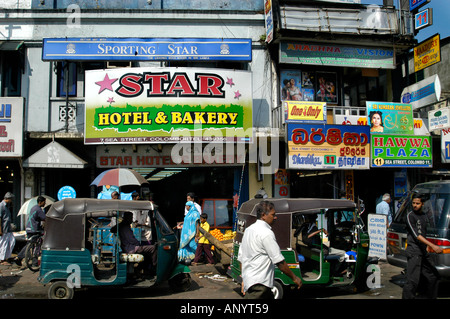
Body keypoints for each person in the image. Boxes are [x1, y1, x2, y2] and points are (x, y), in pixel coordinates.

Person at [238, 201, 302, 299]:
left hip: (252, 281)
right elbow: (279, 261)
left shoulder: (248, 230)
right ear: (263, 215)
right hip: (260, 283)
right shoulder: (266, 233)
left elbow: (242, 257)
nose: (275, 217)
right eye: (273, 214)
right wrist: (294, 278)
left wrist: (244, 278)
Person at [402, 193, 442, 299]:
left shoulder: (424, 216)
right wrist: (432, 245)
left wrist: (427, 246)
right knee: (412, 280)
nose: (415, 205)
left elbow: (424, 232)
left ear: (422, 204)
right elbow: (417, 236)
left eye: (417, 203)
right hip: (414, 251)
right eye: (413, 203)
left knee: (433, 275)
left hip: (423, 251)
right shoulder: (410, 216)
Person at [14, 196, 47, 266]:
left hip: (29, 228)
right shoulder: (38, 209)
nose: (45, 204)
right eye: (44, 202)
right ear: (40, 202)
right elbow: (45, 218)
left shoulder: (33, 208)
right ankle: (31, 261)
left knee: (30, 244)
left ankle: (21, 258)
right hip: (34, 229)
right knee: (36, 245)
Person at [0, 192, 15, 265]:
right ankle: (2, 259)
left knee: (11, 241)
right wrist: (0, 230)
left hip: (8, 228)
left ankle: (7, 256)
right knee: (4, 244)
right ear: (8, 199)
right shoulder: (1, 206)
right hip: (4, 228)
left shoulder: (7, 206)